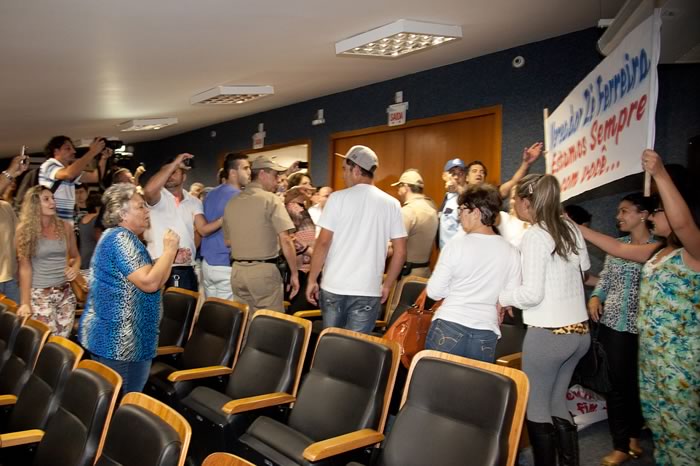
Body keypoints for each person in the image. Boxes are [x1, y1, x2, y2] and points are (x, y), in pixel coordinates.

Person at [579, 150, 699, 466]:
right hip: (652, 355)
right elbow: (617, 248)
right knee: (660, 423)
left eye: (658, 210)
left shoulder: (693, 251)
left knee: (681, 427)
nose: (654, 214)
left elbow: (684, 223)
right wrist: (573, 226)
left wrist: (659, 173)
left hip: (680, 360)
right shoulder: (657, 252)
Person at [498, 174, 591, 466]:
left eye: (515, 199)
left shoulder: (536, 235)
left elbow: (532, 294)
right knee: (556, 402)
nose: (513, 204)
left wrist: (503, 297)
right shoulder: (570, 227)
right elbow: (585, 270)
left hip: (549, 336)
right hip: (579, 334)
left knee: (536, 408)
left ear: (527, 202)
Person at [79, 183, 180, 394]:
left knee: (110, 403)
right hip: (123, 343)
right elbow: (150, 283)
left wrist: (167, 259)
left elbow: (146, 276)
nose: (147, 210)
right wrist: (170, 251)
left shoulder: (113, 236)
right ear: (122, 213)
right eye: (140, 206)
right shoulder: (121, 238)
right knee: (124, 404)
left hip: (112, 339)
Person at [585, 193, 655, 466]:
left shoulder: (659, 249)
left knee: (636, 384)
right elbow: (605, 279)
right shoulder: (618, 245)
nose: (619, 217)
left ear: (643, 215)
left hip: (644, 328)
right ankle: (620, 444)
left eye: (625, 211)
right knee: (614, 384)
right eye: (618, 211)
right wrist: (595, 297)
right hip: (614, 325)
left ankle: (634, 433)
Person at [306, 145, 407, 333]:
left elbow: (323, 242)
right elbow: (400, 252)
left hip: (334, 286)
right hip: (368, 290)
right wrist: (387, 285)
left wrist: (312, 278)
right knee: (356, 352)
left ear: (357, 170)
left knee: (331, 347)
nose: (343, 174)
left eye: (345, 169)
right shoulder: (392, 204)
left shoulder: (337, 199)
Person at [425, 184, 520, 362]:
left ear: (476, 212)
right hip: (486, 332)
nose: (459, 215)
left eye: (462, 209)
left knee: (436, 388)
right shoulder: (512, 251)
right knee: (473, 389)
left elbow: (434, 292)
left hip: (449, 324)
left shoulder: (455, 245)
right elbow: (511, 295)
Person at [223, 155, 299, 313]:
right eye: (275, 175)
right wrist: (294, 273)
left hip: (237, 273)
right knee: (269, 325)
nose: (278, 180)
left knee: (244, 324)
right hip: (263, 273)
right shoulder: (271, 200)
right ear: (263, 174)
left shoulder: (232, 202)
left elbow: (228, 242)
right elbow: (285, 239)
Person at [143, 153, 221, 291]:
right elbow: (148, 190)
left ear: (184, 176)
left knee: (187, 310)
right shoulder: (157, 198)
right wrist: (175, 163)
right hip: (160, 266)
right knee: (167, 312)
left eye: (174, 172)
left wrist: (224, 219)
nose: (169, 176)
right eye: (167, 172)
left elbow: (203, 229)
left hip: (186, 268)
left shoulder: (194, 201)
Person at [16, 186, 80, 337]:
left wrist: (75, 268)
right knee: (46, 344)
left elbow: (76, 256)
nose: (52, 202)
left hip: (65, 293)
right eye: (46, 199)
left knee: (63, 344)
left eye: (53, 198)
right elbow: (24, 268)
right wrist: (25, 302)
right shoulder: (24, 230)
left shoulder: (65, 226)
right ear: (34, 204)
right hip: (40, 295)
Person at [200, 153, 250, 300]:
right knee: (227, 318)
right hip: (225, 264)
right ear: (233, 173)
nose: (249, 172)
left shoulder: (211, 194)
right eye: (245, 168)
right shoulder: (241, 197)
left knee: (213, 313)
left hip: (208, 264)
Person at [38, 136, 110, 224]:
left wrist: (104, 158)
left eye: (73, 148)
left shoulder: (68, 170)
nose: (73, 151)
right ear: (56, 151)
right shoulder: (48, 165)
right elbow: (69, 174)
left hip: (65, 223)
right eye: (68, 148)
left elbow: (95, 177)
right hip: (52, 222)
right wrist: (92, 152)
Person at [391, 169, 438, 278]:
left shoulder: (407, 212)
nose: (398, 190)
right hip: (426, 272)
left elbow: (397, 250)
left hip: (407, 276)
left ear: (405, 187)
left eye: (399, 186)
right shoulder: (432, 210)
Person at [284, 171, 317, 312]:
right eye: (304, 184)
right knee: (299, 308)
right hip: (299, 267)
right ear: (295, 188)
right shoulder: (292, 208)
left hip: (307, 265)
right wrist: (309, 252)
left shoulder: (302, 208)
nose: (309, 187)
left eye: (309, 183)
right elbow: (290, 238)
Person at [0, 154, 29, 302]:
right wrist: (10, 171)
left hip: (10, 278)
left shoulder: (6, 207)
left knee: (17, 323)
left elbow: (19, 238)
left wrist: (20, 265)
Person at [438, 158, 467, 249]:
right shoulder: (448, 198)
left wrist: (457, 187)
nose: (456, 177)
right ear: (444, 176)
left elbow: (474, 201)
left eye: (460, 174)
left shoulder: (465, 199)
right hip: (446, 253)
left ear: (465, 176)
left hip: (458, 253)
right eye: (452, 173)